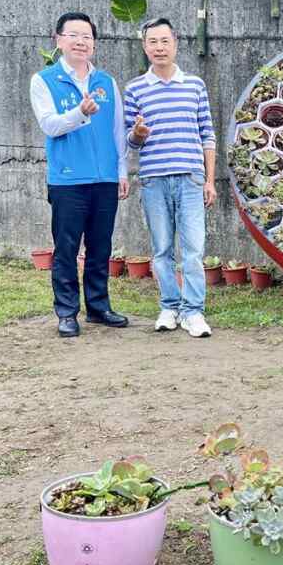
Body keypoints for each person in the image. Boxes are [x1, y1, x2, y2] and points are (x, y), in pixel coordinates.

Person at [30, 12, 129, 338]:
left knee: (101, 246)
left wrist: (121, 171)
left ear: (94, 43)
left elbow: (118, 130)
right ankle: (67, 312)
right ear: (58, 40)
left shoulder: (106, 82)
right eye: (73, 35)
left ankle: (99, 307)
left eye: (86, 36)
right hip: (68, 180)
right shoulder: (44, 80)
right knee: (67, 248)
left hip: (104, 179)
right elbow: (50, 125)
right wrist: (79, 113)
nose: (80, 42)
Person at [124, 18, 217, 337]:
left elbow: (208, 135)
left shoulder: (194, 85)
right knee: (161, 248)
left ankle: (194, 312)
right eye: (153, 41)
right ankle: (169, 307)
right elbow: (130, 141)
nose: (159, 47)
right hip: (153, 179)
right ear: (144, 46)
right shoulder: (135, 88)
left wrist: (209, 180)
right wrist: (137, 134)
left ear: (176, 44)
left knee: (193, 249)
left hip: (191, 178)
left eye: (165, 41)